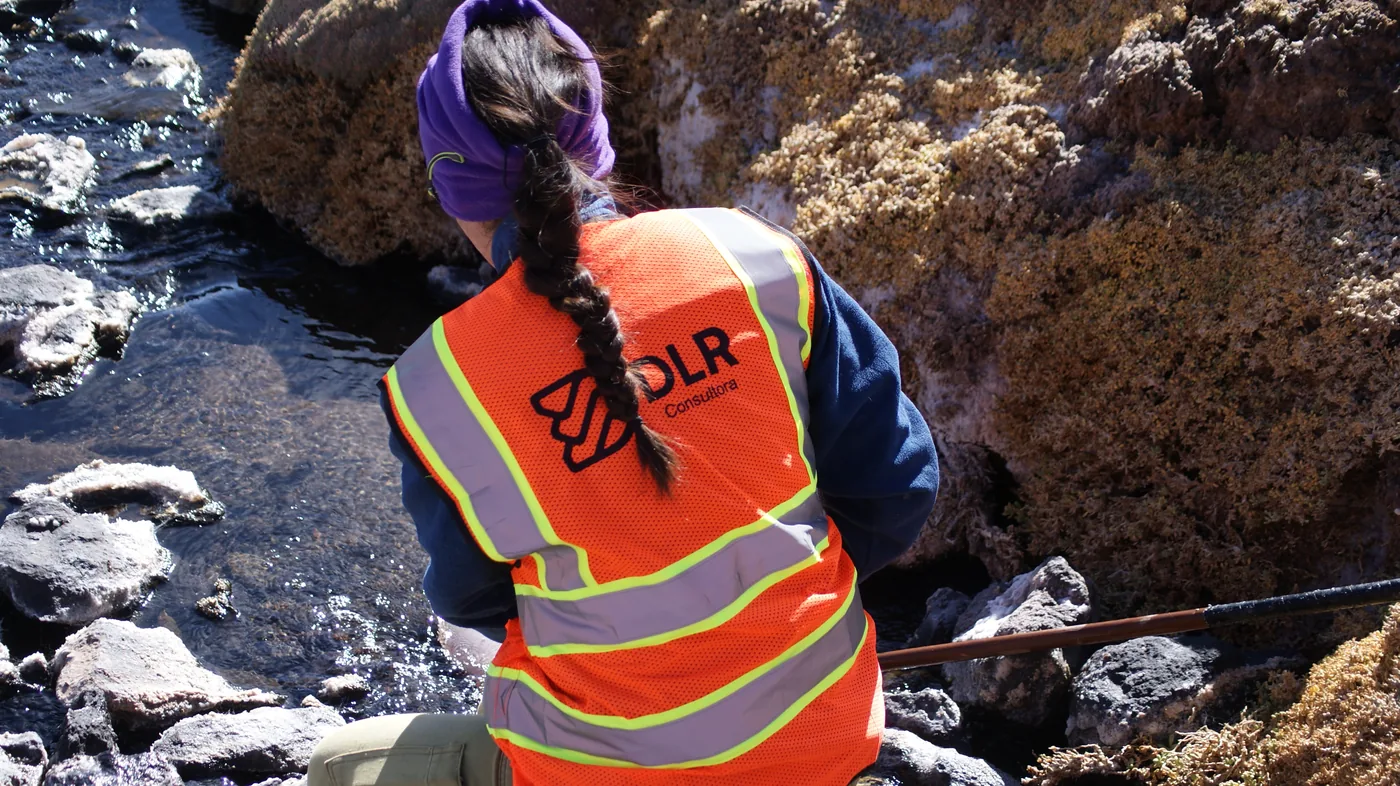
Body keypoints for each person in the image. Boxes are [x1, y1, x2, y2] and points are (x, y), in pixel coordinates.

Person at [307, 0, 939, 783]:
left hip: (595, 771)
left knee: (339, 763)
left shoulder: (433, 386)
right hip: (826, 735)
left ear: (450, 183)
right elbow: (900, 483)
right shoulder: (751, 254)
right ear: (594, 136)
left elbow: (472, 600)